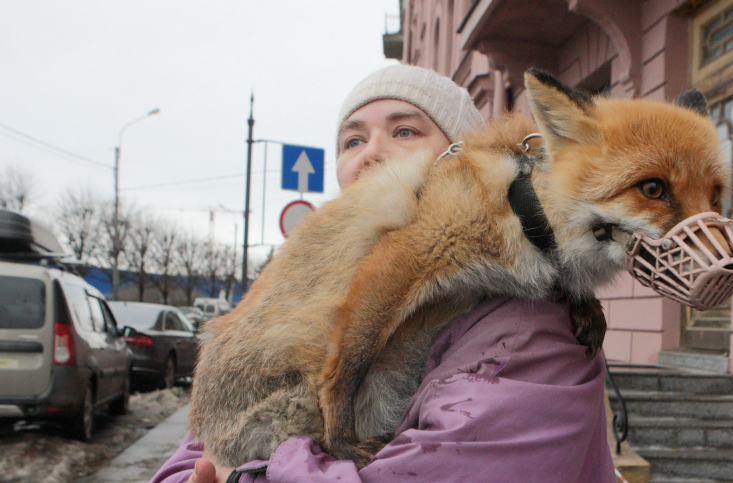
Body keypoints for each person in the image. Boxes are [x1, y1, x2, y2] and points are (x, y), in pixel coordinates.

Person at [151, 64, 615, 483]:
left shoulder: (529, 331)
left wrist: (242, 477)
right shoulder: (304, 294)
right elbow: (198, 450)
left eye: (405, 131)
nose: (370, 154)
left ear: (464, 159)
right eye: (352, 141)